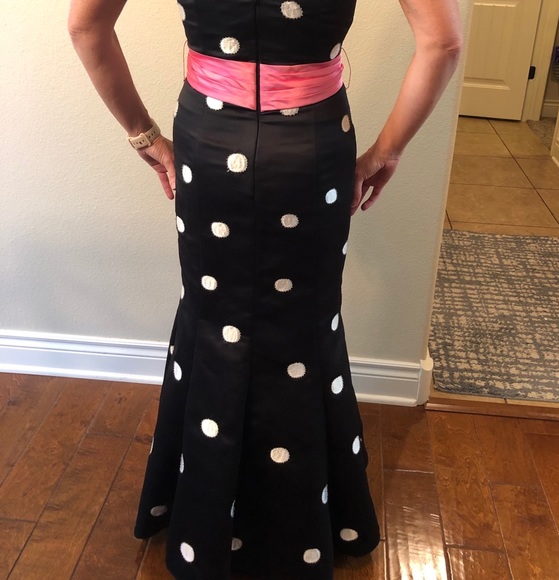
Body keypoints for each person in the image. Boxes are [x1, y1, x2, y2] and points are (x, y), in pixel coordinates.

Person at [68, 0, 462, 578]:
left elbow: (85, 26)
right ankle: (308, 525)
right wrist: (388, 151)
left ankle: (202, 517)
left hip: (208, 143)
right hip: (312, 149)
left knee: (213, 319)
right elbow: (443, 43)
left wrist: (142, 135)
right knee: (306, 325)